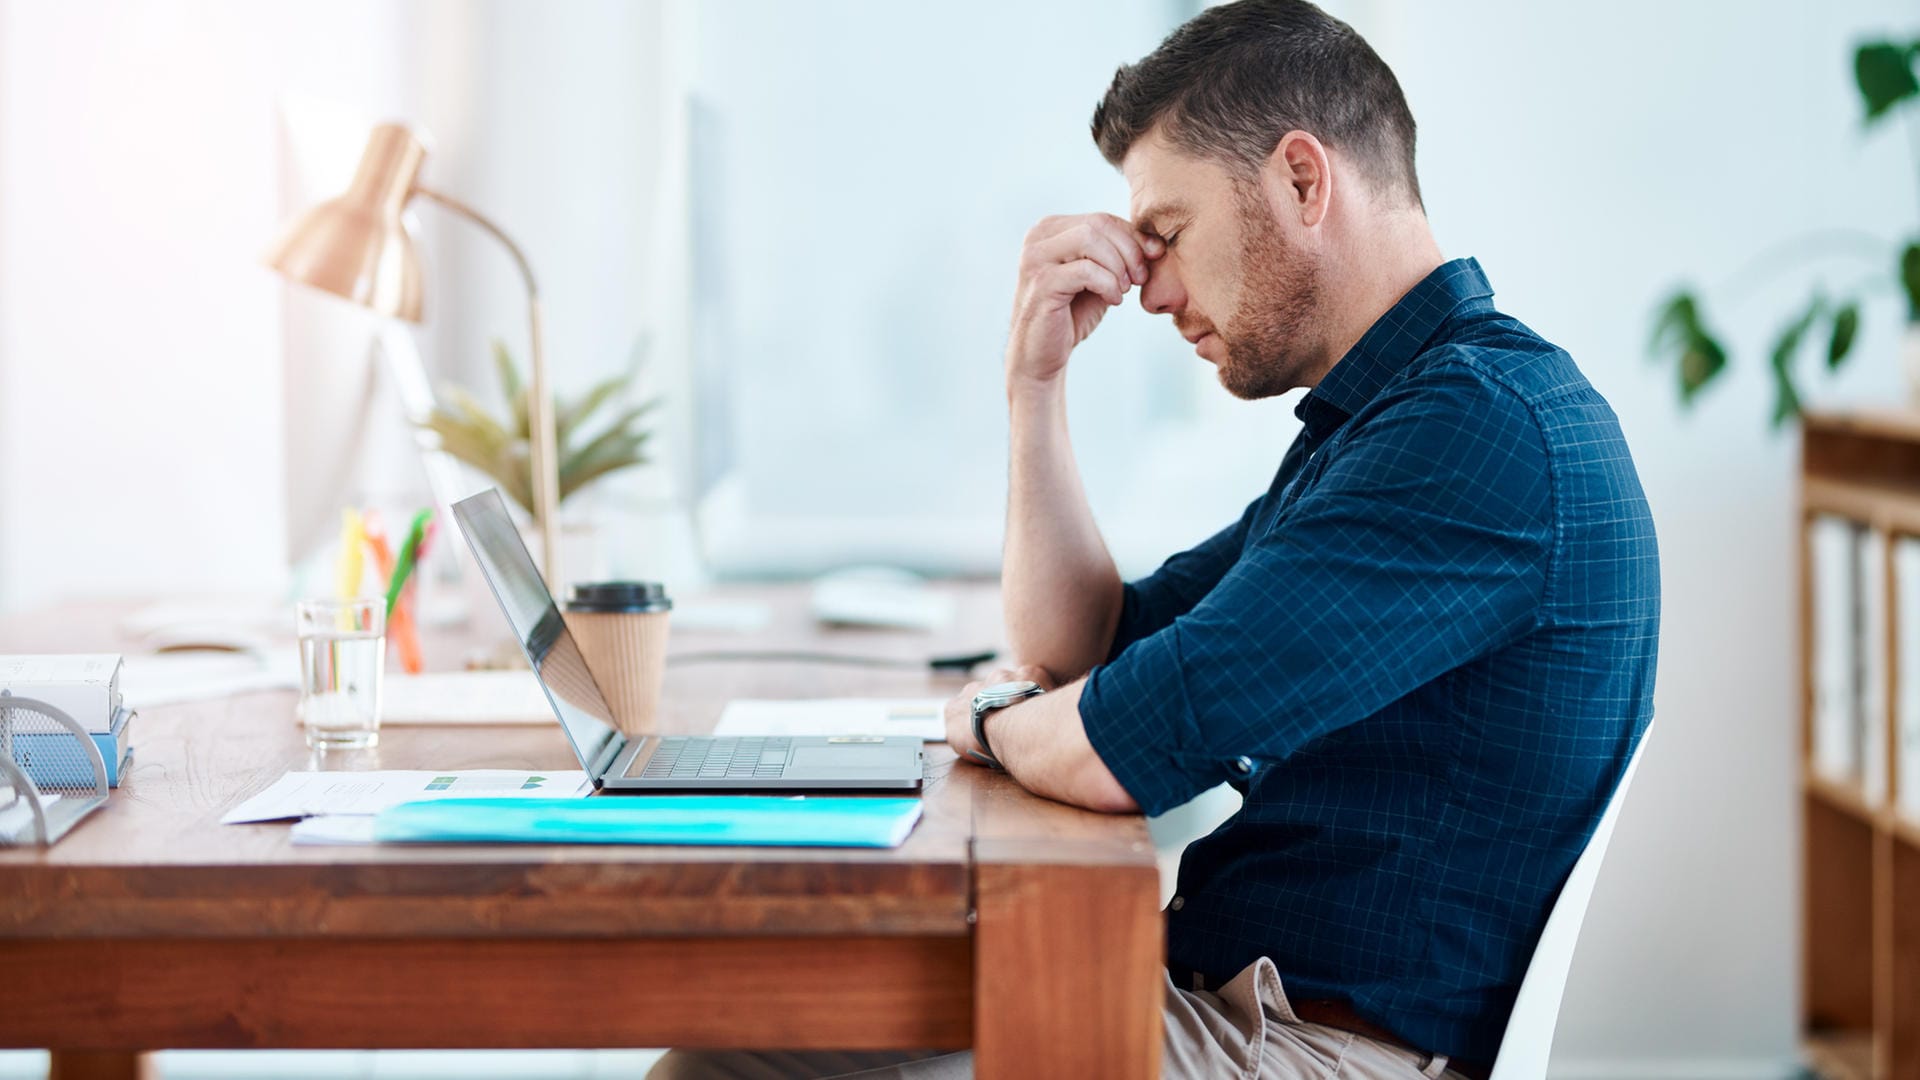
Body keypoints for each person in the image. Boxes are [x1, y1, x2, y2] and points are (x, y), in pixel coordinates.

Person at [651, 1, 1658, 1077]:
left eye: (1168, 234)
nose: (1153, 290)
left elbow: (1120, 744)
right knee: (760, 1033)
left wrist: (992, 718)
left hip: (1305, 1050)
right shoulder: (1389, 423)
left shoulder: (1477, 431)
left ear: (1304, 181)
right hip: (1233, 1011)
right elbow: (1093, 644)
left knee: (753, 1046)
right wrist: (1032, 385)